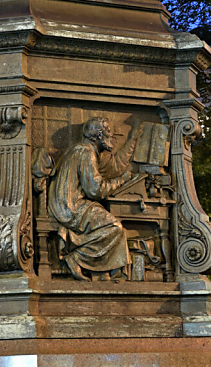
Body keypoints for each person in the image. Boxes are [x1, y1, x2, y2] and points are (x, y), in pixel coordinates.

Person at [48, 117, 142, 279]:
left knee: (108, 223)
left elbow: (114, 168)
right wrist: (123, 180)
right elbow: (95, 190)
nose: (111, 137)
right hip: (71, 207)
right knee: (114, 228)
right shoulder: (85, 152)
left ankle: (104, 273)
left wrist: (132, 140)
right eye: (108, 132)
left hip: (67, 203)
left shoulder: (83, 150)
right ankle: (76, 258)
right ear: (98, 135)